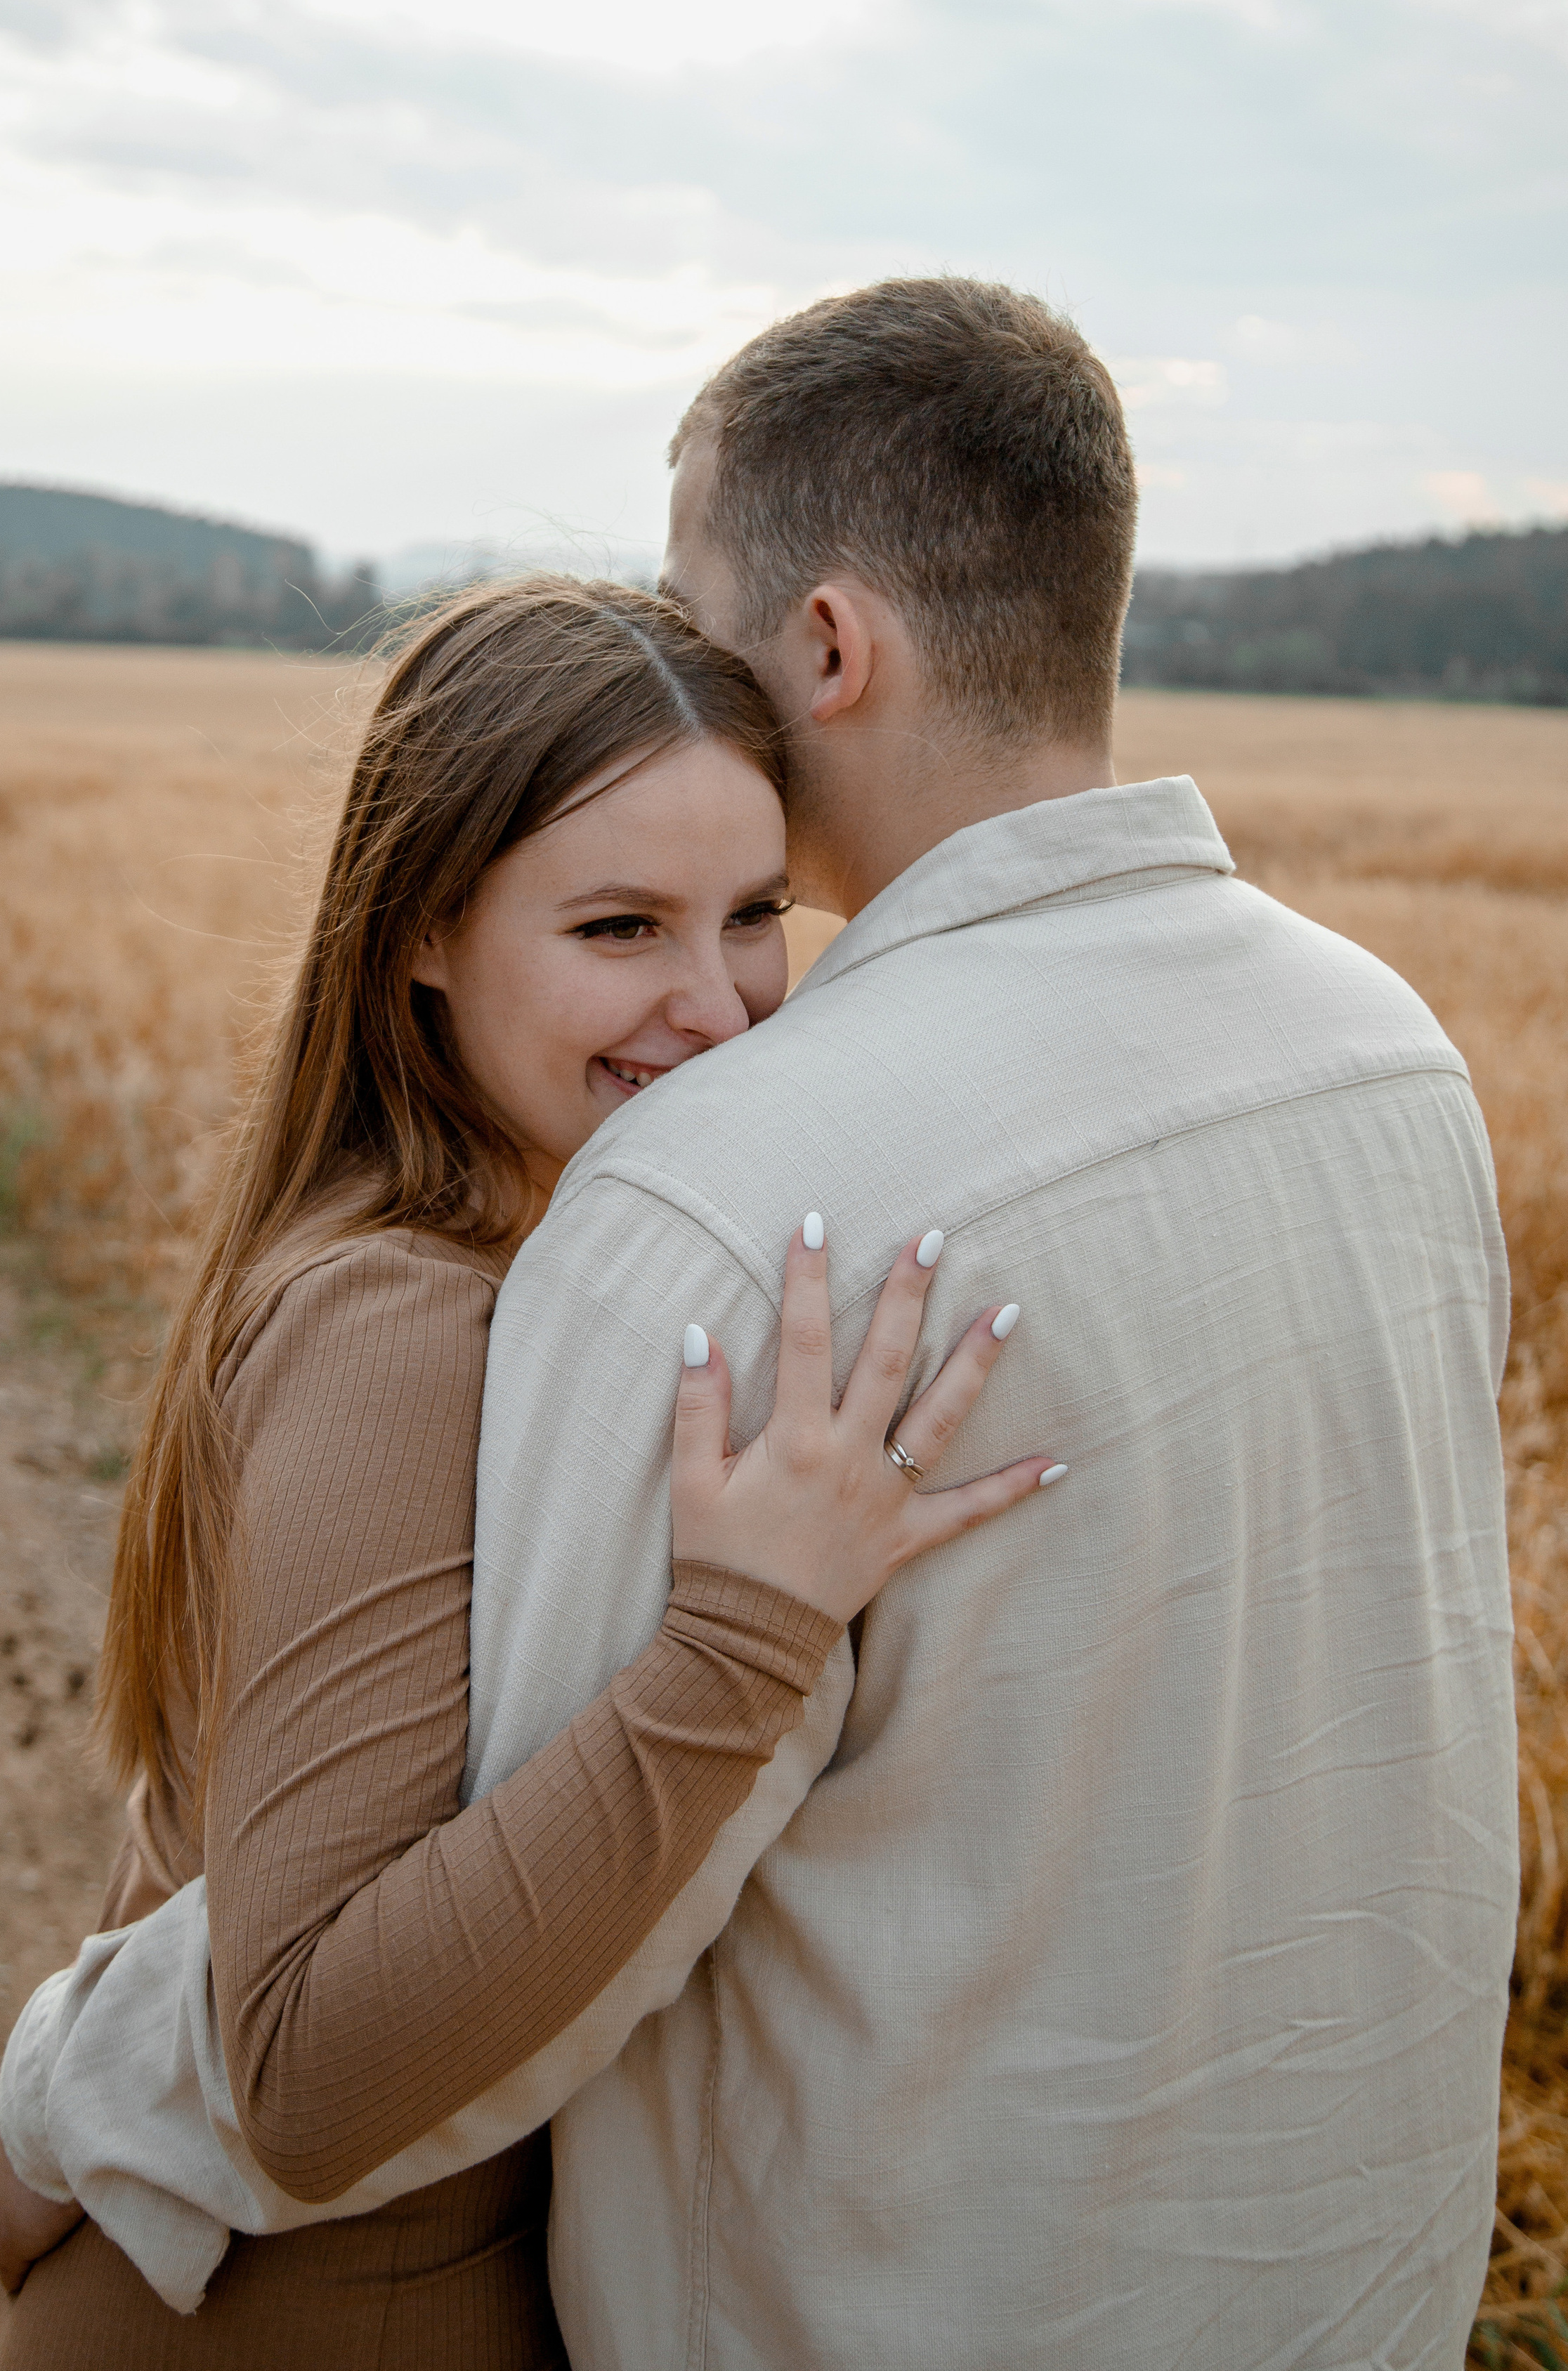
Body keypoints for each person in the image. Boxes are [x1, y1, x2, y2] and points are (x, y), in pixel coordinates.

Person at [462, 279, 1518, 2367]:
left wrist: (100, 2101)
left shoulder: (718, 1198)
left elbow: (507, 1974)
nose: (675, 670)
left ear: (827, 647)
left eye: (694, 616)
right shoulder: (1393, 1057)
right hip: (1358, 2303)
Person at [0, 572, 1060, 2367]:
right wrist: (744, 1635)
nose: (717, 1008)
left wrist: (63, 2083)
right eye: (618, 927)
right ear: (420, 927)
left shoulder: (551, 1255)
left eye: (753, 915)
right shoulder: (404, 1325)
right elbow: (307, 2070)